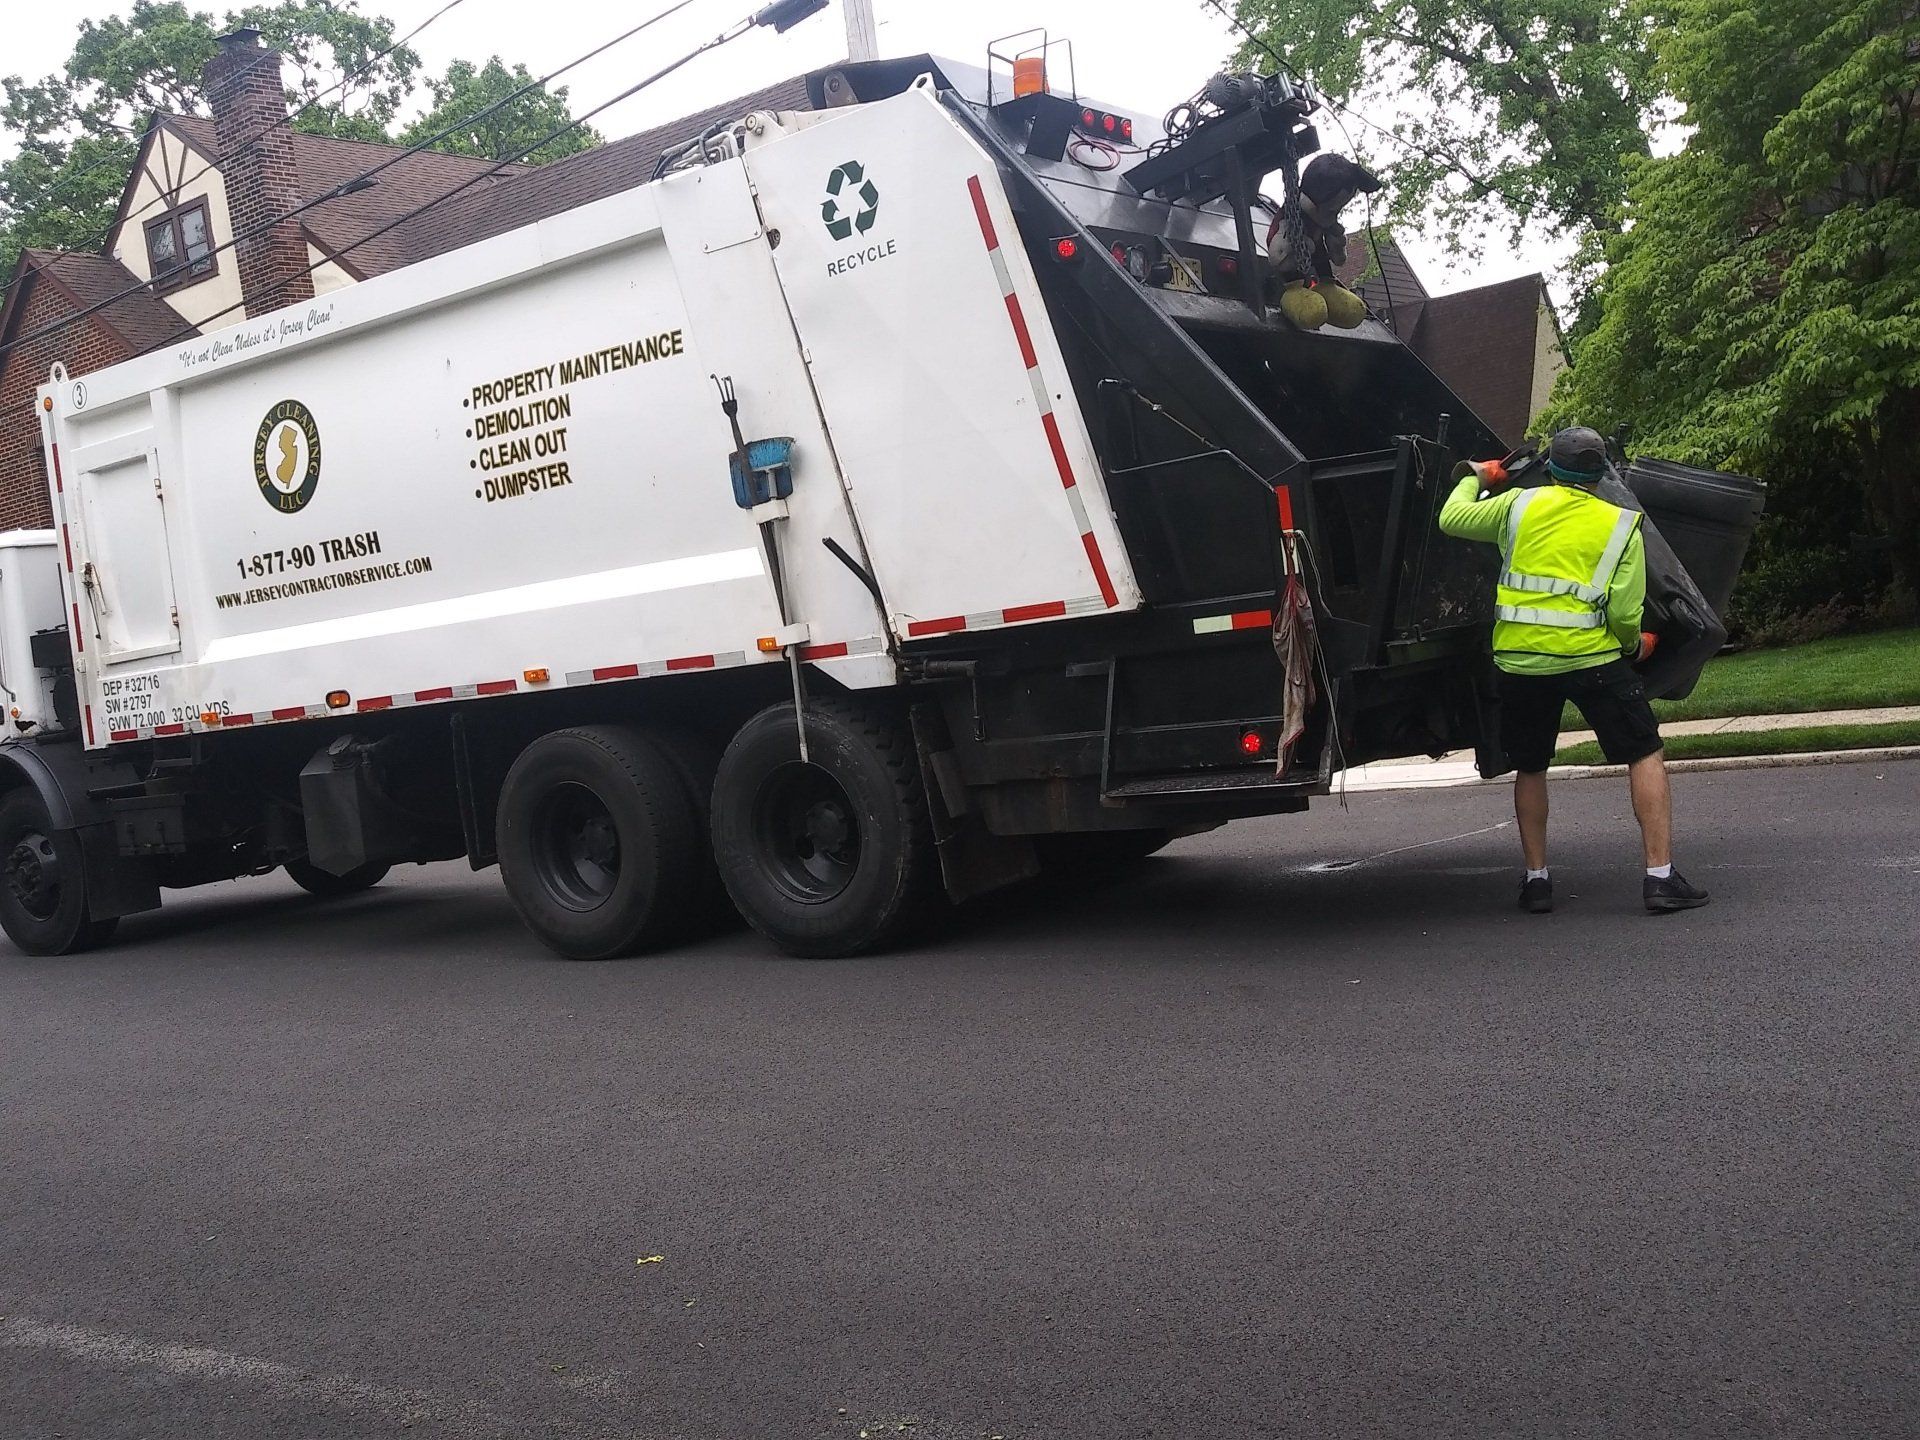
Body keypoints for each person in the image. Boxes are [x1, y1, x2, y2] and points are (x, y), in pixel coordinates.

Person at [1437, 426, 1710, 915]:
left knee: (1532, 764)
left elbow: (1451, 518)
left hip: (1520, 661)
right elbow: (1625, 612)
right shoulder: (1622, 524)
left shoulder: (1517, 505)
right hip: (1593, 661)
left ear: (1553, 469)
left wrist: (1478, 475)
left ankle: (1537, 881)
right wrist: (1635, 645)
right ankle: (1660, 879)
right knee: (1644, 751)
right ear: (1601, 473)